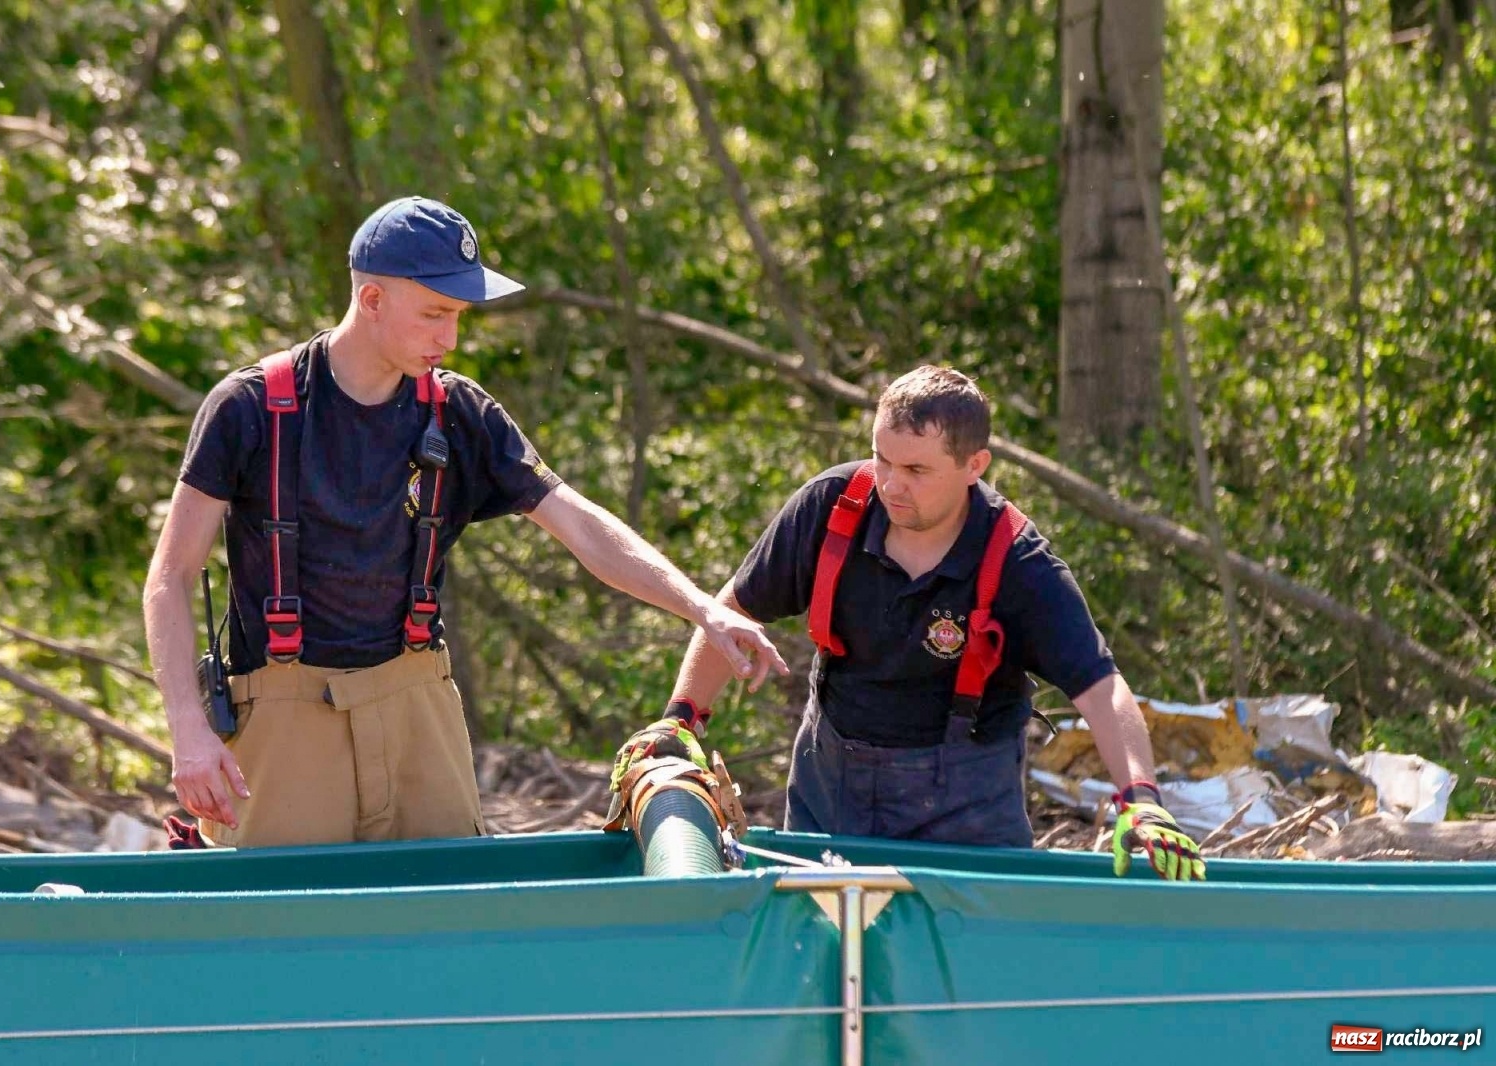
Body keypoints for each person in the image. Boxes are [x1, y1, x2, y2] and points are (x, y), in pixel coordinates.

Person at [143, 195, 787, 848]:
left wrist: (703, 609)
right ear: (371, 301)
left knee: (449, 918)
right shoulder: (251, 408)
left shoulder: (459, 413)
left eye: (457, 315)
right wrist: (189, 733)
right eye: (434, 314)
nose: (449, 338)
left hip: (417, 705)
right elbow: (170, 577)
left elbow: (583, 528)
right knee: (280, 931)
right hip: (283, 717)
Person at [614, 365, 1205, 880]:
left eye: (917, 470)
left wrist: (1142, 800)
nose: (892, 485)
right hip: (831, 784)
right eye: (882, 458)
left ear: (975, 465)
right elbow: (732, 611)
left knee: (966, 978)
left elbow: (1101, 687)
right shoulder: (830, 509)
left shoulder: (1019, 563)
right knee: (820, 956)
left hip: (967, 809)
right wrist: (680, 720)